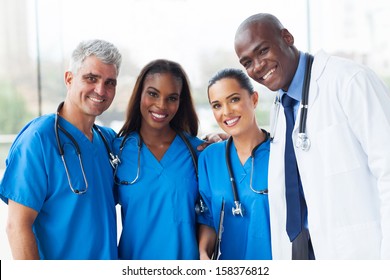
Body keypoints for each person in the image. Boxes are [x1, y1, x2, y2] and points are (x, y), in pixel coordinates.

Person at [234, 13, 390, 259]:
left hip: (361, 252)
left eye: (262, 51)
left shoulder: (350, 81)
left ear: (287, 37)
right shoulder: (282, 105)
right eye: (247, 62)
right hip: (303, 252)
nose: (258, 66)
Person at [0, 39, 122, 259]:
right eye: (91, 78)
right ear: (69, 78)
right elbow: (17, 227)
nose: (100, 90)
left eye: (110, 82)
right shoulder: (38, 139)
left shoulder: (108, 141)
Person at [113, 59, 203, 260]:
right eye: (153, 94)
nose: (161, 105)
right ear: (140, 95)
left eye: (172, 98)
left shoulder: (197, 152)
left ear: (181, 102)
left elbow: (211, 216)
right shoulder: (116, 151)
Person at [197, 68, 272, 260]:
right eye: (217, 105)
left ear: (254, 99)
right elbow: (208, 218)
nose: (226, 112)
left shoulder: (282, 155)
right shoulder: (209, 158)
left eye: (234, 99)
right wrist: (203, 253)